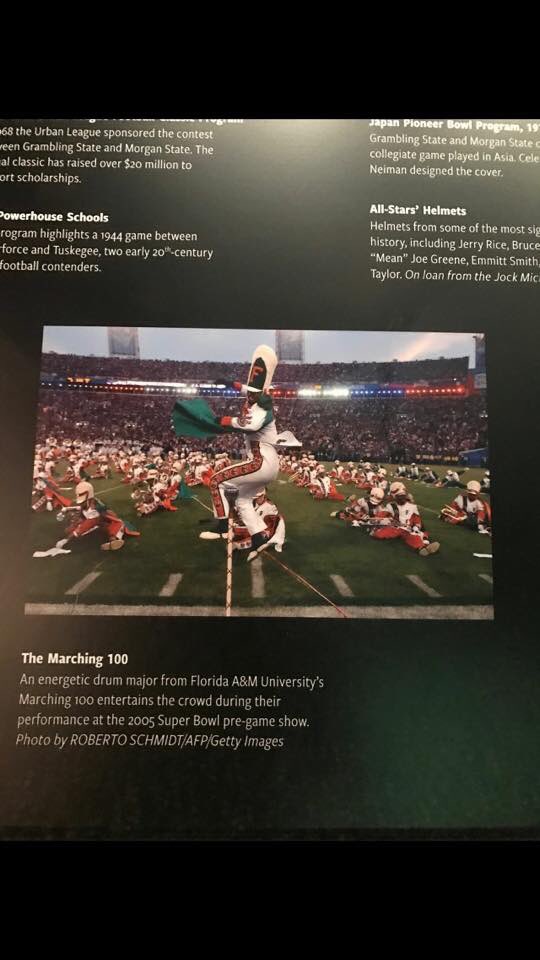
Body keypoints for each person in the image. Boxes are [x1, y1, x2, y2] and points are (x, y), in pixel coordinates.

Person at [202, 345, 283, 558]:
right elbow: (246, 389)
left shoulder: (263, 409)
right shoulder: (257, 397)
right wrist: (230, 383)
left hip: (260, 461)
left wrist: (218, 421)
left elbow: (247, 425)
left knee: (216, 481)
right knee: (243, 500)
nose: (248, 397)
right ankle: (258, 536)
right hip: (267, 462)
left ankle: (220, 526)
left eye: (252, 395)